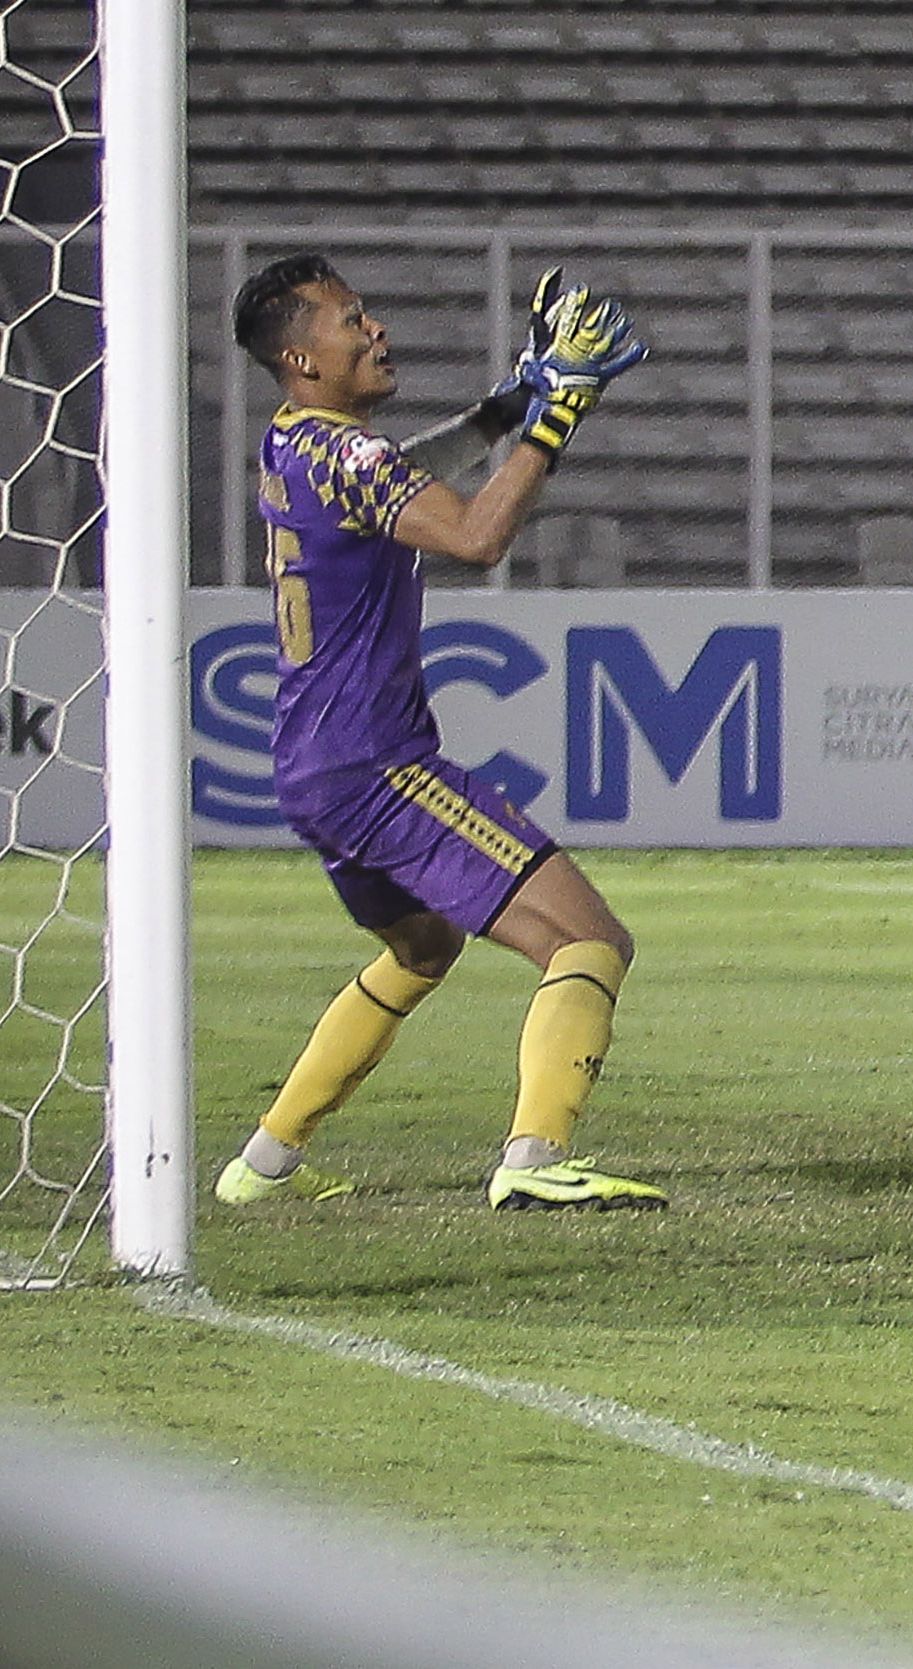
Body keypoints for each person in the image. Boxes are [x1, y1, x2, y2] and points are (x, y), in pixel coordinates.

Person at [209, 254, 666, 1214]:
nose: (374, 330)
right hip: (378, 766)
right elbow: (472, 535)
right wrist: (559, 410)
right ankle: (535, 1158)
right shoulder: (352, 456)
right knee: (589, 939)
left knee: (421, 948)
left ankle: (264, 1162)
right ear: (302, 355)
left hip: (313, 765)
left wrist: (513, 399)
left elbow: (403, 477)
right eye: (349, 320)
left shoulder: (297, 443)